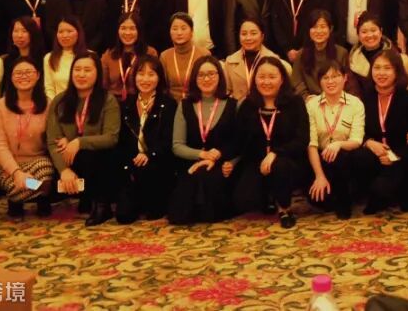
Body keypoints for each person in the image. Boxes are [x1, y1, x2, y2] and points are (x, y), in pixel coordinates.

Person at [46, 51, 121, 226]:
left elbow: (111, 138)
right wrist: (64, 170)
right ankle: (81, 195)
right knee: (42, 187)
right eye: (77, 69)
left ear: (97, 73)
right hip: (68, 161)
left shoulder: (107, 100)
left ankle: (101, 205)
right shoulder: (59, 101)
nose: (81, 74)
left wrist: (79, 142)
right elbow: (52, 141)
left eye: (87, 70)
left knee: (92, 156)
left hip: (100, 160)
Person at [233, 57, 309, 228]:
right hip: (258, 162)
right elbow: (238, 140)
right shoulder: (248, 105)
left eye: (272, 77)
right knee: (244, 200)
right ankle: (268, 195)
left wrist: (275, 153)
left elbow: (302, 139)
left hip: (288, 160)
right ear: (255, 79)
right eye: (261, 77)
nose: (266, 82)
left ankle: (285, 209)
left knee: (280, 166)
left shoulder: (295, 102)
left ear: (282, 79)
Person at [349, 50, 408, 213]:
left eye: (387, 68)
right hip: (375, 154)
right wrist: (369, 142)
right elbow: (356, 129)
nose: (381, 73)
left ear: (397, 71)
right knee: (358, 158)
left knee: (385, 190)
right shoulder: (365, 99)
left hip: (400, 157)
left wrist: (396, 155)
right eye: (377, 68)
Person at [168, 56, 239, 225]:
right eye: (201, 75)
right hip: (191, 164)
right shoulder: (184, 105)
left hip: (220, 164)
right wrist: (203, 155)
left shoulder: (232, 104)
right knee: (179, 216)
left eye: (211, 74)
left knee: (211, 205)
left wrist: (231, 162)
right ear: (194, 78)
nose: (206, 79)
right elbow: (177, 146)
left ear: (220, 76)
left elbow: (238, 142)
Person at [114, 55, 176, 223]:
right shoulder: (127, 104)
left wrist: (149, 154)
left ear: (159, 78)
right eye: (141, 74)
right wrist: (131, 159)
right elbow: (121, 140)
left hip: (157, 164)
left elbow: (168, 141)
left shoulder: (168, 104)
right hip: (132, 165)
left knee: (153, 213)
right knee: (123, 217)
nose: (145, 79)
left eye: (151, 74)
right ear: (134, 77)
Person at [0, 57, 54, 218]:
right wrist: (16, 172)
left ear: (38, 75)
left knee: (45, 168)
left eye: (28, 72)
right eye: (18, 73)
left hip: (37, 163)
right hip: (5, 166)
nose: (23, 76)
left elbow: (53, 139)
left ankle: (26, 195)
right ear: (11, 77)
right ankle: (42, 193)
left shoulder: (48, 104)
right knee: (17, 186)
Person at [305, 61, 365, 219]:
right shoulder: (312, 105)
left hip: (346, 157)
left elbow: (357, 140)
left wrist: (338, 144)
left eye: (335, 76)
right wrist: (319, 176)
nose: (330, 81)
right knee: (318, 200)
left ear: (345, 78)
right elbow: (311, 144)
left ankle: (345, 200)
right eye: (325, 78)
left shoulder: (355, 103)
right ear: (319, 81)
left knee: (342, 156)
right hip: (320, 158)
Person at [224, 16, 290, 100]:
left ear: (262, 36)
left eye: (253, 33)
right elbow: (227, 92)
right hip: (238, 106)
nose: (248, 38)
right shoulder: (230, 61)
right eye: (244, 34)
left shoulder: (274, 60)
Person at [291, 10, 349, 99]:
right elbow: (296, 81)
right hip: (309, 100)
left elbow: (346, 82)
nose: (318, 31)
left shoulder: (342, 53)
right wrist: (306, 97)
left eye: (323, 26)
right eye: (314, 27)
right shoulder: (301, 54)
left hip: (335, 99)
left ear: (330, 29)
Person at [100, 12, 158, 101]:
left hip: (141, 101)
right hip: (114, 101)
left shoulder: (150, 53)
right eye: (123, 28)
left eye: (132, 29)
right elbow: (103, 86)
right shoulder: (108, 55)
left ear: (139, 31)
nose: (127, 33)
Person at [347, 13, 408, 91]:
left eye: (373, 30)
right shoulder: (352, 60)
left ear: (381, 32)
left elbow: (404, 83)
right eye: (364, 32)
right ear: (358, 35)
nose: (369, 35)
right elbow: (353, 89)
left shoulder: (395, 55)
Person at [160, 13, 210, 102]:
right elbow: (163, 87)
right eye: (175, 29)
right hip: (172, 104)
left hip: (197, 102)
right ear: (170, 32)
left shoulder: (204, 54)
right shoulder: (165, 56)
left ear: (192, 32)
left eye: (183, 28)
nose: (179, 33)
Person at [44, 16, 86, 100]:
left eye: (69, 31)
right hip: (59, 104)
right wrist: (54, 104)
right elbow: (49, 88)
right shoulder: (49, 57)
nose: (65, 35)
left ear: (78, 33)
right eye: (61, 32)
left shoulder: (89, 56)